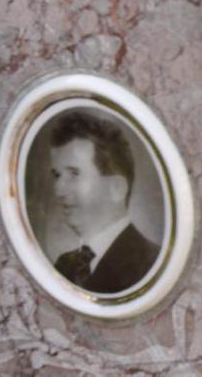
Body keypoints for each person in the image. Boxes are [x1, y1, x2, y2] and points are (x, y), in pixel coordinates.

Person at [49, 112, 160, 293]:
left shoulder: (151, 265)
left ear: (116, 188)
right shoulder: (64, 265)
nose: (58, 190)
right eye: (57, 175)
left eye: (74, 174)